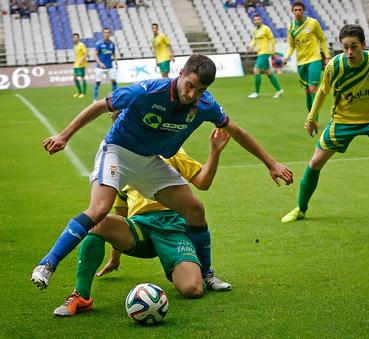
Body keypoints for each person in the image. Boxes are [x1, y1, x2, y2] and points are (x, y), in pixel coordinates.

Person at [31, 54, 293, 290]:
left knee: (195, 209)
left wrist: (271, 163)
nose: (192, 95)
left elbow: (236, 131)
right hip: (117, 151)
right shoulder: (148, 90)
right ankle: (47, 264)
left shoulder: (205, 105)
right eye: (189, 85)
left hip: (149, 161)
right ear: (180, 73)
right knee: (99, 208)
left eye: (199, 90)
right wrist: (64, 136)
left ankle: (207, 272)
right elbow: (101, 106)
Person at [53, 129, 231, 317]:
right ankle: (81, 296)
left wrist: (215, 151)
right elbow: (120, 213)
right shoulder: (115, 161)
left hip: (172, 228)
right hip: (140, 229)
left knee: (193, 290)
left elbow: (203, 181)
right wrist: (115, 258)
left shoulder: (170, 151)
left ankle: (204, 273)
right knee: (98, 223)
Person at [281, 24, 369, 224]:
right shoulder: (335, 66)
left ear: (363, 45)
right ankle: (300, 208)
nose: (349, 52)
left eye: (354, 47)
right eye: (345, 47)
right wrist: (311, 118)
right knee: (315, 162)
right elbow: (323, 91)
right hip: (343, 121)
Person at [283, 1, 330, 115]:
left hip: (315, 59)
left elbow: (322, 39)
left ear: (304, 11)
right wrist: (286, 57)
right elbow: (292, 45)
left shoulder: (313, 23)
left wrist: (327, 55)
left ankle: (314, 120)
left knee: (313, 89)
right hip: (301, 62)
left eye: (300, 10)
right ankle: (310, 118)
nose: (298, 12)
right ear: (292, 12)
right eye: (296, 10)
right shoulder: (291, 27)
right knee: (307, 91)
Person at [247, 14, 283, 99]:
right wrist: (251, 46)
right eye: (255, 20)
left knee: (256, 70)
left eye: (258, 19)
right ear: (253, 21)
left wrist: (272, 51)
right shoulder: (254, 30)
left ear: (261, 20)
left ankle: (257, 92)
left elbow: (272, 39)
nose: (257, 21)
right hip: (259, 52)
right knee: (268, 72)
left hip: (265, 52)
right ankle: (279, 90)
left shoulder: (266, 28)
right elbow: (254, 40)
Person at [93, 28, 118, 103]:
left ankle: (115, 97)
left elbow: (113, 53)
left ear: (109, 34)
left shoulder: (112, 44)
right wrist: (100, 63)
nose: (107, 34)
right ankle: (94, 100)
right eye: (105, 33)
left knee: (114, 81)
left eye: (108, 33)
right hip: (100, 67)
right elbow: (95, 54)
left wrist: (116, 61)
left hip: (110, 66)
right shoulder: (99, 43)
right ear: (103, 34)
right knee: (98, 82)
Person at [72, 33, 88, 98]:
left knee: (82, 78)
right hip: (76, 65)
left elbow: (85, 54)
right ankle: (79, 92)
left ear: (78, 38)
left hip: (81, 65)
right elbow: (77, 55)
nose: (75, 38)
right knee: (74, 78)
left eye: (76, 37)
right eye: (74, 37)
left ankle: (84, 93)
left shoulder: (81, 45)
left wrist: (81, 60)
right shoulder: (75, 46)